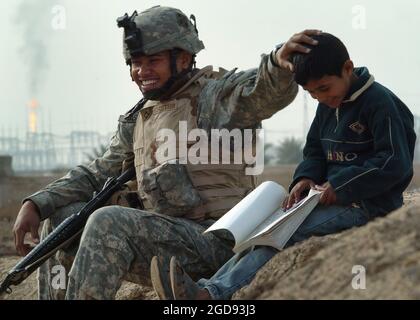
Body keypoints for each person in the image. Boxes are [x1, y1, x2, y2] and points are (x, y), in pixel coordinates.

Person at [11, 6, 314, 299]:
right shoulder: (140, 118)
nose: (141, 71)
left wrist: (277, 63)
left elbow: (261, 92)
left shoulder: (214, 96)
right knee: (60, 221)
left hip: (220, 244)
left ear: (183, 59)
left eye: (152, 61)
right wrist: (37, 204)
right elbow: (98, 172)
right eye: (134, 62)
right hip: (163, 242)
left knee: (108, 221)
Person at [152, 32, 416, 300]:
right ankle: (207, 287)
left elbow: (394, 162)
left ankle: (211, 295)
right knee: (262, 232)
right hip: (324, 201)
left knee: (283, 234)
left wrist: (342, 184)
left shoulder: (379, 103)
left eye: (323, 88)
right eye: (311, 93)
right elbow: (314, 150)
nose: (319, 98)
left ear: (347, 68)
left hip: (366, 206)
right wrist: (305, 178)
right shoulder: (328, 103)